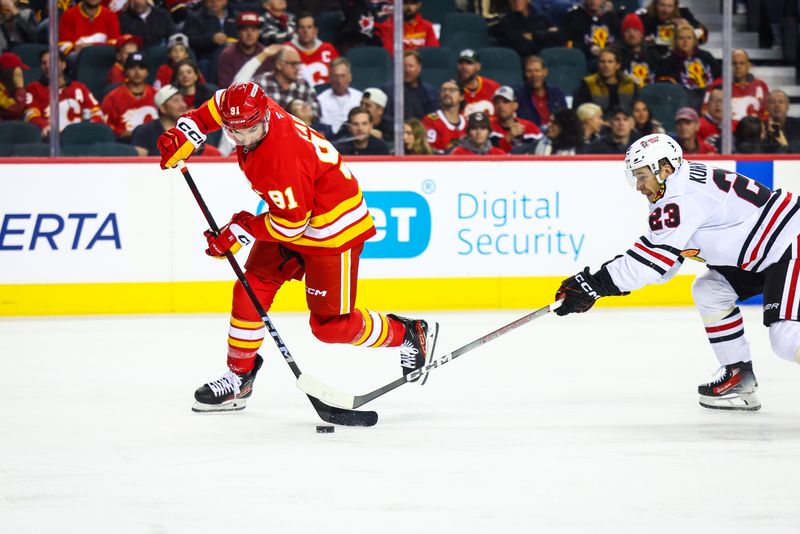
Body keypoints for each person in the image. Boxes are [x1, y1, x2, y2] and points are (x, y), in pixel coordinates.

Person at [155, 81, 435, 411]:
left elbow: (291, 225)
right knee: (250, 289)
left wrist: (241, 230)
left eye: (250, 131)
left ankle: (407, 333)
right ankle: (239, 378)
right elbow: (219, 104)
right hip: (296, 215)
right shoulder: (255, 108)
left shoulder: (279, 159)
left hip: (332, 231)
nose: (244, 140)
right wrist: (190, 128)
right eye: (236, 133)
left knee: (329, 327)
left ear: (265, 119)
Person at [553, 133, 800, 412]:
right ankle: (738, 374)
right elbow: (665, 264)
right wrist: (601, 285)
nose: (638, 185)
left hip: (789, 243)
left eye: (642, 176)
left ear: (665, 169)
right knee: (710, 290)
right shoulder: (674, 185)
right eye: (634, 176)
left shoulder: (679, 197)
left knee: (786, 338)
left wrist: (592, 285)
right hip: (765, 252)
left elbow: (650, 262)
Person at [24, 49, 104, 136]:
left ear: (63, 65)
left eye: (52, 61)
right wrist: (45, 126)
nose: (47, 66)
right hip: (51, 140)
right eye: (44, 63)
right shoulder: (34, 88)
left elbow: (96, 112)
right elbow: (30, 114)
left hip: (80, 139)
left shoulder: (79, 88)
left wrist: (88, 128)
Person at [132, 83, 221, 157]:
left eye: (182, 101)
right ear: (163, 108)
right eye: (176, 101)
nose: (183, 105)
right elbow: (139, 163)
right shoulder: (145, 131)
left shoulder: (195, 127)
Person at [656, 24, 718, 112]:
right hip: (683, 103)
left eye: (689, 38)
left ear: (694, 40)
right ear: (675, 41)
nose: (685, 41)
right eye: (681, 38)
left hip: (709, 99)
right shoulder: (668, 62)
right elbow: (668, 87)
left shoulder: (706, 57)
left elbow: (719, 76)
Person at [253, 45, 320, 121]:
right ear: (279, 64)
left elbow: (317, 111)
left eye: (298, 64)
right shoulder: (261, 83)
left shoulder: (303, 85)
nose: (297, 68)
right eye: (293, 64)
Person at [101, 51, 157, 139]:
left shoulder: (157, 95)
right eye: (132, 68)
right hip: (124, 145)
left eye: (141, 68)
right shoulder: (112, 98)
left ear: (147, 72)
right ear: (126, 72)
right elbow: (105, 127)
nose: (137, 72)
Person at [704, 50, 769, 122]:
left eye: (742, 63)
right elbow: (705, 110)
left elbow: (766, 113)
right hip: (723, 130)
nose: (738, 66)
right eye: (734, 63)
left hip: (753, 131)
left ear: (749, 66)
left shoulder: (760, 85)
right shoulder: (718, 84)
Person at [572, 47, 638, 115]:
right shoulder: (588, 83)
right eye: (602, 62)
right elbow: (582, 111)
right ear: (598, 64)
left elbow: (636, 109)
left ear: (618, 65)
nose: (606, 65)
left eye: (610, 62)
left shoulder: (629, 84)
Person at [490, 0, 564, 58]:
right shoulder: (505, 22)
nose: (516, 1)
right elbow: (522, 46)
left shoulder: (541, 17)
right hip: (522, 61)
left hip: (546, 59)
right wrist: (546, 34)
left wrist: (534, 36)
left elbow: (559, 36)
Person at [216, 12, 272, 88]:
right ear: (238, 32)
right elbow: (226, 87)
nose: (249, 34)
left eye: (253, 29)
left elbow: (270, 83)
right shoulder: (227, 54)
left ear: (259, 32)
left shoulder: (266, 53)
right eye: (245, 30)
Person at [183, 0, 237, 78]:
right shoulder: (195, 17)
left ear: (225, 1)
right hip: (207, 56)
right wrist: (211, 39)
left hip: (236, 54)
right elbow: (189, 41)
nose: (213, 1)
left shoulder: (235, 16)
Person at [637, 0, 707, 55]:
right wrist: (642, 41)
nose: (665, 10)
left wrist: (688, 27)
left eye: (669, 6)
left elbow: (703, 36)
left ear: (675, 7)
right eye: (662, 5)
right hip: (652, 58)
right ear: (655, 5)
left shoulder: (683, 14)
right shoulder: (644, 17)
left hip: (677, 59)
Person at [288, 12, 339, 87]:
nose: (305, 31)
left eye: (309, 27)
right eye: (302, 27)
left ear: (315, 31)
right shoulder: (287, 49)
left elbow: (339, 73)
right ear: (296, 31)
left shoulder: (328, 49)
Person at [515, 55, 567, 130]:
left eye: (537, 71)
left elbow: (565, 120)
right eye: (529, 71)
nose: (534, 75)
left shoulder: (557, 93)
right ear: (525, 74)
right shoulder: (518, 95)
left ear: (545, 72)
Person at [385, 49, 437, 121]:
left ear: (419, 68)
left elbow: (434, 117)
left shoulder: (430, 93)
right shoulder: (388, 92)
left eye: (410, 66)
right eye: (403, 66)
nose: (407, 70)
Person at [489, 85, 542, 153]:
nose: (501, 106)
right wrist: (508, 138)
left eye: (505, 102)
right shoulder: (489, 128)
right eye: (497, 102)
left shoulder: (530, 128)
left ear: (515, 105)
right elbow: (488, 156)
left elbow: (541, 151)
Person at [616, 13, 662, 88]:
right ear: (623, 34)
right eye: (627, 31)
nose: (632, 35)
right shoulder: (617, 56)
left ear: (642, 33)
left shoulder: (653, 56)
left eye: (635, 30)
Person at [316, 57, 361, 135]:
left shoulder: (360, 97)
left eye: (342, 76)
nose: (339, 81)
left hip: (353, 138)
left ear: (349, 77)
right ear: (330, 78)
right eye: (335, 76)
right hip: (329, 139)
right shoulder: (320, 100)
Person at [422, 78, 466, 154]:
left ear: (461, 97)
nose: (447, 93)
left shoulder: (467, 122)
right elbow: (429, 151)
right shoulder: (430, 121)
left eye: (452, 90)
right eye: (444, 90)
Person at [456, 49, 500, 117]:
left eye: (469, 63)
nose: (464, 67)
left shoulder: (493, 87)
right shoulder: (453, 89)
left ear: (478, 66)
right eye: (461, 63)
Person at [0, 51, 26, 121]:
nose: (21, 78)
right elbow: (15, 109)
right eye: (18, 75)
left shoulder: (10, 87)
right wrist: (20, 88)